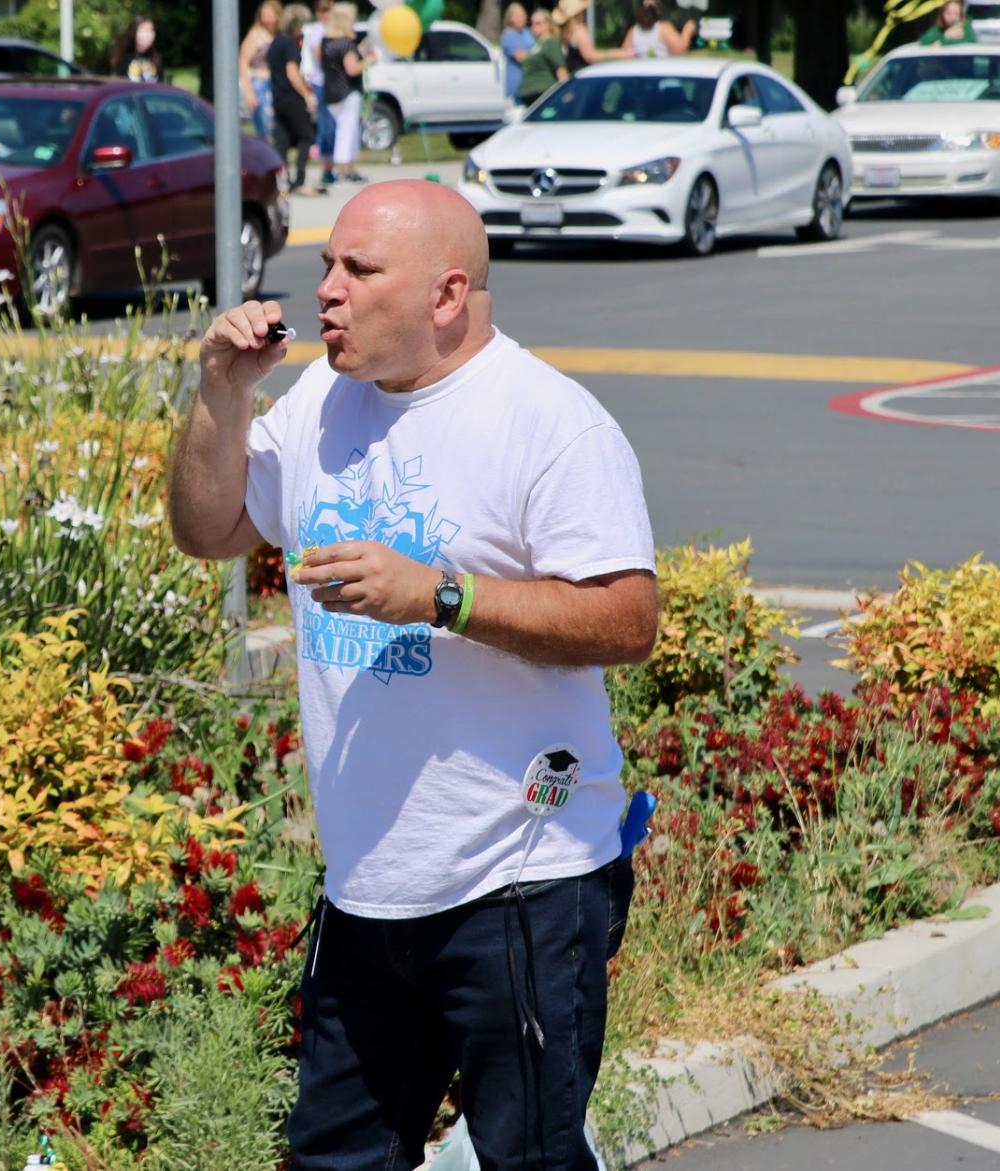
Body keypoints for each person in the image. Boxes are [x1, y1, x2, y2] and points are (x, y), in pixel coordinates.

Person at [168, 179, 658, 1171]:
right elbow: (205, 528)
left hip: (522, 876)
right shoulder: (319, 402)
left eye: (358, 270)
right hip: (368, 887)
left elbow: (625, 617)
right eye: (325, 267)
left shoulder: (547, 421)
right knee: (336, 1159)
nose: (327, 293)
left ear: (444, 296)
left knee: (530, 1158)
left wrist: (440, 596)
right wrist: (221, 392)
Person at [269, 6, 324, 195]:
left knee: (282, 140)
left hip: (277, 97)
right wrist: (307, 95)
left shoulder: (276, 42)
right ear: (296, 25)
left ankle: (282, 179)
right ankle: (299, 180)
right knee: (306, 136)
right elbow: (292, 73)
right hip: (292, 97)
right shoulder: (291, 44)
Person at [321, 2, 369, 183]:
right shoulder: (347, 43)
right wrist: (369, 60)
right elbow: (352, 69)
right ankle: (345, 169)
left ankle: (345, 168)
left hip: (331, 92)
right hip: (347, 91)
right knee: (347, 131)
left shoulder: (327, 41)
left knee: (342, 130)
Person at [303, 0, 337, 187]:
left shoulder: (335, 28)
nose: (326, 14)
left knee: (334, 125)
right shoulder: (317, 31)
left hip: (334, 83)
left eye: (328, 10)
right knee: (326, 125)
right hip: (322, 82)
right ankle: (326, 168)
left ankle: (331, 166)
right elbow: (319, 56)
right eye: (323, 11)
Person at [240, 1, 283, 140]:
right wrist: (249, 91)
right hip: (259, 83)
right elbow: (242, 62)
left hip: (276, 83)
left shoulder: (280, 35)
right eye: (264, 14)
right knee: (264, 125)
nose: (267, 17)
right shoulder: (255, 35)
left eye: (270, 14)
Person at [555, 0, 627, 74]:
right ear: (579, 12)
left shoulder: (568, 32)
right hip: (584, 75)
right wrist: (621, 53)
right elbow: (590, 56)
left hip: (575, 75)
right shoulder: (579, 30)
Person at [518, 7, 568, 105]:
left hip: (543, 92)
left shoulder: (551, 42)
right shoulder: (536, 44)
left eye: (538, 23)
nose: (533, 26)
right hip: (529, 96)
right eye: (532, 23)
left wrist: (566, 92)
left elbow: (561, 69)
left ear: (548, 24)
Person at [620, 0, 696, 57]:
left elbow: (625, 55)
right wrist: (687, 31)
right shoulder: (663, 28)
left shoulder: (633, 31)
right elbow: (679, 49)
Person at [500, 2, 536, 103]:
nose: (521, 18)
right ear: (510, 18)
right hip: (519, 86)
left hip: (533, 84)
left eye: (522, 15)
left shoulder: (528, 32)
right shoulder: (509, 35)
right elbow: (521, 57)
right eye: (517, 16)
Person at [111, 15, 162, 82]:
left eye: (151, 30)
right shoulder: (123, 59)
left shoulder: (156, 59)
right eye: (144, 31)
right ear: (133, 32)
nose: (148, 35)